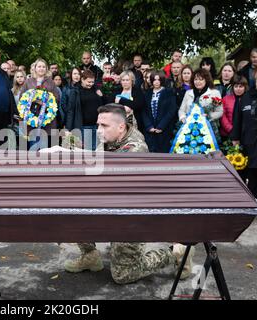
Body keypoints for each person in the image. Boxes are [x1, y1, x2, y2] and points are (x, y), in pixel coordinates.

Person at [61, 104, 193, 283]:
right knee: (71, 208)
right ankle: (90, 256)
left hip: (132, 214)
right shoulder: (112, 136)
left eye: (104, 126)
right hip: (109, 204)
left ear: (121, 127)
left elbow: (106, 173)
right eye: (98, 125)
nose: (99, 130)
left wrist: (76, 154)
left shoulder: (136, 149)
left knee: (123, 275)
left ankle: (176, 253)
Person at [231, 68, 257, 208]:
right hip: (249, 139)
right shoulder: (245, 97)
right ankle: (252, 199)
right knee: (251, 169)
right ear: (255, 80)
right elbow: (237, 120)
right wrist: (235, 138)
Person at [19, 58, 61, 148]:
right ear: (35, 68)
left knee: (46, 150)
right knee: (34, 149)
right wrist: (33, 100)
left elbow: (57, 98)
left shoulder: (51, 82)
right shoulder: (28, 82)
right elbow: (21, 99)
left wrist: (46, 102)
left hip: (47, 121)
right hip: (32, 120)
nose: (41, 68)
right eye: (39, 66)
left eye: (43, 67)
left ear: (46, 69)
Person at [179, 68, 223, 143]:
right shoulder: (188, 93)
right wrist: (183, 118)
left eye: (201, 79)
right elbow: (182, 110)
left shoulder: (215, 93)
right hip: (189, 129)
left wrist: (208, 116)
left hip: (208, 129)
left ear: (206, 80)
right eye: (195, 79)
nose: (197, 82)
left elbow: (220, 111)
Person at [65, 70, 104, 150]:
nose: (91, 84)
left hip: (97, 126)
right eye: (89, 82)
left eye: (92, 82)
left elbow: (102, 105)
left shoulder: (96, 90)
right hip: (84, 127)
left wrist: (101, 96)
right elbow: (70, 111)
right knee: (87, 151)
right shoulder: (75, 92)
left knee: (97, 150)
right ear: (82, 79)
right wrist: (68, 129)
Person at [142, 71, 177, 153]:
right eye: (154, 80)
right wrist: (149, 126)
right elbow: (144, 111)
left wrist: (161, 126)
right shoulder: (147, 93)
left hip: (164, 130)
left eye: (159, 80)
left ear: (162, 80)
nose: (156, 82)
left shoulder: (169, 92)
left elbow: (171, 111)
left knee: (163, 155)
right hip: (150, 130)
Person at [220, 75, 247, 140]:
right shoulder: (225, 99)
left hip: (244, 134)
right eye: (236, 86)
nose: (238, 89)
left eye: (241, 86)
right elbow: (222, 115)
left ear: (245, 87)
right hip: (228, 133)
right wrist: (230, 129)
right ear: (232, 87)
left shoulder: (248, 100)